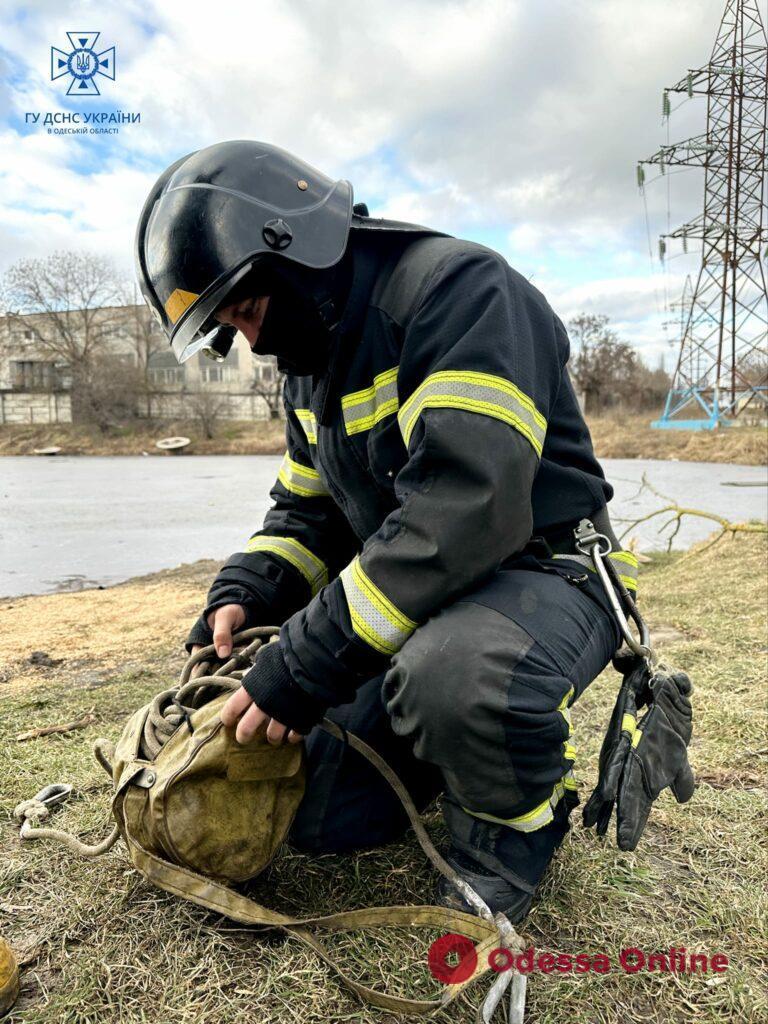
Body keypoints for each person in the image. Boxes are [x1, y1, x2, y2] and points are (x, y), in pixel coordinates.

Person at [135, 140, 637, 922]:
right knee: (320, 808)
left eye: (250, 312)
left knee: (453, 680)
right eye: (232, 330)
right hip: (432, 596)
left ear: (290, 243)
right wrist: (246, 589)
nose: (256, 344)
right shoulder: (311, 363)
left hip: (547, 572)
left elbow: (467, 509)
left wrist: (305, 663)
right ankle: (449, 748)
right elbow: (308, 510)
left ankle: (515, 829)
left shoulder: (462, 292)